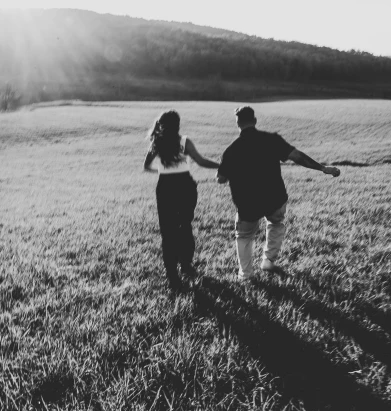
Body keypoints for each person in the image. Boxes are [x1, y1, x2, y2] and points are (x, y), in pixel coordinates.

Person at [217, 106, 340, 281]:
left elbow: (221, 179)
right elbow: (297, 156)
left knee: (244, 236)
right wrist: (322, 168)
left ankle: (245, 275)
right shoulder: (271, 139)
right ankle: (268, 260)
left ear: (237, 123)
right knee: (276, 223)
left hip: (247, 203)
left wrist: (222, 173)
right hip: (274, 197)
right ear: (255, 121)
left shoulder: (231, 150)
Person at [144, 110, 219, 291]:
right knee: (185, 225)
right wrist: (222, 165)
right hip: (185, 186)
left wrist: (162, 172)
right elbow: (201, 161)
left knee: (167, 231)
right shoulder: (184, 141)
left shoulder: (156, 142)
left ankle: (172, 275)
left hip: (165, 187)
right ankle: (186, 265)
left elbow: (146, 166)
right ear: (178, 124)